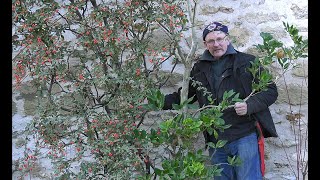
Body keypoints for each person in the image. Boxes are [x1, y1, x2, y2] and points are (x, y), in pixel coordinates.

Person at [162, 21, 278, 180]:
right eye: (211, 41)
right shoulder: (199, 67)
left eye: (220, 39)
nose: (216, 44)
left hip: (244, 136)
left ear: (227, 39)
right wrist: (157, 102)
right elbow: (185, 95)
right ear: (205, 44)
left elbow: (270, 91)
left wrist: (249, 105)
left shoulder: (247, 62)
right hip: (216, 141)